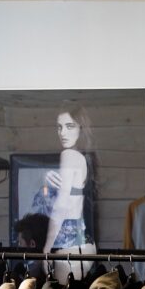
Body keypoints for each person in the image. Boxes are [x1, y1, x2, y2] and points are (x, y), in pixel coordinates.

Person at [29, 104, 95, 252]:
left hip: (66, 242)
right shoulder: (82, 158)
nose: (63, 133)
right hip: (83, 241)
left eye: (69, 126)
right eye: (59, 127)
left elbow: (61, 206)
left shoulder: (69, 155)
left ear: (81, 128)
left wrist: (47, 248)